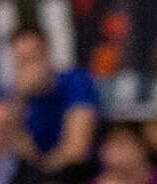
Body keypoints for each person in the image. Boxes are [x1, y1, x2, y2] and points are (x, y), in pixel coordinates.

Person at [7, 26, 98, 176]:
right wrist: (19, 99)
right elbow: (12, 149)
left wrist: (41, 170)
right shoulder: (14, 96)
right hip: (37, 176)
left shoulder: (76, 82)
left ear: (47, 55)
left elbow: (76, 150)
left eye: (34, 57)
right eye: (22, 60)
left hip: (77, 175)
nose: (30, 67)